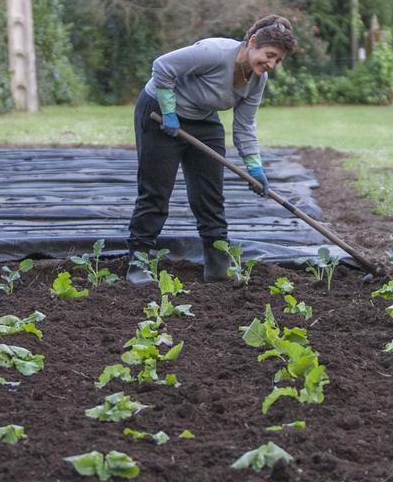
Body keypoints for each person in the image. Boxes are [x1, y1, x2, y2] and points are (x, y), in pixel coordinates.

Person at [126, 14, 297, 284]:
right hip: (159, 113)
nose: (272, 64)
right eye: (270, 54)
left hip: (203, 121)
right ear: (252, 42)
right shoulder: (214, 53)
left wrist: (255, 166)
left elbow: (244, 125)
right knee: (156, 192)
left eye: (278, 60)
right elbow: (162, 66)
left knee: (210, 197)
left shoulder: (257, 80)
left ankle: (218, 266)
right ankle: (139, 263)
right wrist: (169, 111)